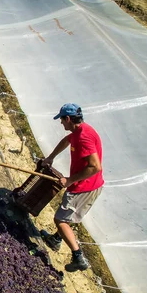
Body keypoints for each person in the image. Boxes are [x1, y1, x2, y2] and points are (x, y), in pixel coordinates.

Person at [41, 103, 104, 272]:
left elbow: (95, 166)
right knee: (69, 215)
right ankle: (56, 239)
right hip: (90, 184)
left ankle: (78, 257)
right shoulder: (79, 131)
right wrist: (51, 157)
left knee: (60, 220)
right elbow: (66, 141)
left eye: (62, 120)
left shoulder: (84, 138)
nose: (61, 124)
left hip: (84, 186)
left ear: (68, 119)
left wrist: (70, 180)